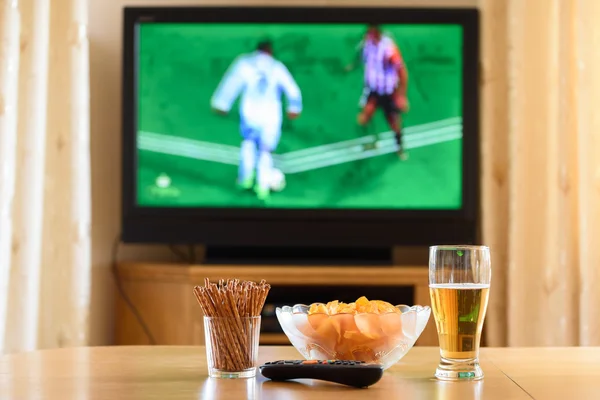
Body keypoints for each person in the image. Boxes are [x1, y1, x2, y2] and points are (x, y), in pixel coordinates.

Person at [211, 39, 302, 200]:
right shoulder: (276, 66)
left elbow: (231, 83)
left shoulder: (244, 63)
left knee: (248, 143)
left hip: (250, 112)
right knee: (266, 150)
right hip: (270, 114)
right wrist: (294, 107)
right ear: (270, 50)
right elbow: (291, 87)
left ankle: (245, 180)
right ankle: (262, 186)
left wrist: (221, 104)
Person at [347, 24, 409, 159]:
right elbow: (360, 54)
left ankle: (399, 148)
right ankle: (373, 140)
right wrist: (352, 65)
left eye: (372, 32)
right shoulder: (367, 43)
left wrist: (401, 96)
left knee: (395, 124)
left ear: (378, 32)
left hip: (388, 93)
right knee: (363, 119)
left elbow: (402, 71)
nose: (369, 34)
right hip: (373, 91)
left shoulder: (389, 49)